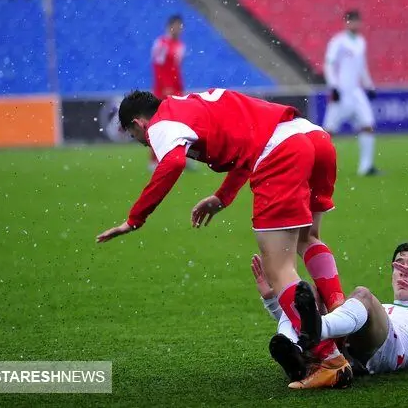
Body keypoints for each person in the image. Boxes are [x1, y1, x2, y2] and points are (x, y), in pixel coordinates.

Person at [96, 88, 351, 389]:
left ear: (138, 124)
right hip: (312, 136)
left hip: (281, 151)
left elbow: (173, 164)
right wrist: (222, 197)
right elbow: (248, 143)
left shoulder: (161, 124)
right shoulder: (189, 105)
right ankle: (339, 313)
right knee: (308, 238)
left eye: (134, 137)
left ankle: (329, 359)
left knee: (278, 269)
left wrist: (135, 219)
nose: (142, 142)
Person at [253, 242, 408, 387]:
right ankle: (295, 351)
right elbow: (303, 319)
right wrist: (273, 300)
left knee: (362, 294)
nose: (404, 270)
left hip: (393, 349)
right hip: (353, 350)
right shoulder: (378, 308)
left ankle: (310, 342)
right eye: (399, 265)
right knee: (307, 291)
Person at [324, 9, 379, 176]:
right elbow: (329, 64)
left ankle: (366, 167)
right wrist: (333, 86)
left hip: (356, 92)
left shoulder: (361, 41)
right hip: (341, 91)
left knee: (368, 125)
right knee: (327, 133)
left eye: (356, 21)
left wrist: (369, 85)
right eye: (351, 21)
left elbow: (362, 67)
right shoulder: (338, 42)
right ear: (345, 23)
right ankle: (318, 168)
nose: (354, 24)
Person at [149, 15, 187, 172]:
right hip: (164, 91)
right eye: (177, 26)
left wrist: (178, 87)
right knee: (160, 125)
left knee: (181, 126)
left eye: (181, 26)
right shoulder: (162, 44)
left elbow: (176, 69)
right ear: (170, 26)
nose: (179, 29)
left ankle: (182, 158)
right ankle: (154, 160)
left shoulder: (179, 45)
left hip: (176, 90)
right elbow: (158, 66)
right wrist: (165, 85)